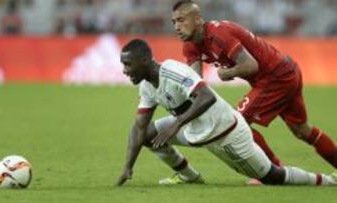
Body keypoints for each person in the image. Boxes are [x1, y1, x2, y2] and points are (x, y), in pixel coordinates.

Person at [116, 39, 337, 186]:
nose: (124, 71)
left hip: (224, 131)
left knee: (272, 176)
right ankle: (189, 177)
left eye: (128, 65)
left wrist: (176, 123)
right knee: (146, 135)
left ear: (144, 61)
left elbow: (207, 97)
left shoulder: (172, 71)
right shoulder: (146, 86)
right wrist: (128, 167)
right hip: (195, 129)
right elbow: (139, 127)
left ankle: (325, 181)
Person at [170, 0, 337, 173]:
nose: (176, 26)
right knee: (302, 129)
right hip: (286, 70)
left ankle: (274, 171)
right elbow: (196, 82)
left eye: (182, 20)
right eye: (174, 22)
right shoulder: (190, 46)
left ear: (197, 19)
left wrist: (228, 73)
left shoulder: (219, 34)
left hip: (275, 76)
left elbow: (251, 65)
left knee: (238, 122)